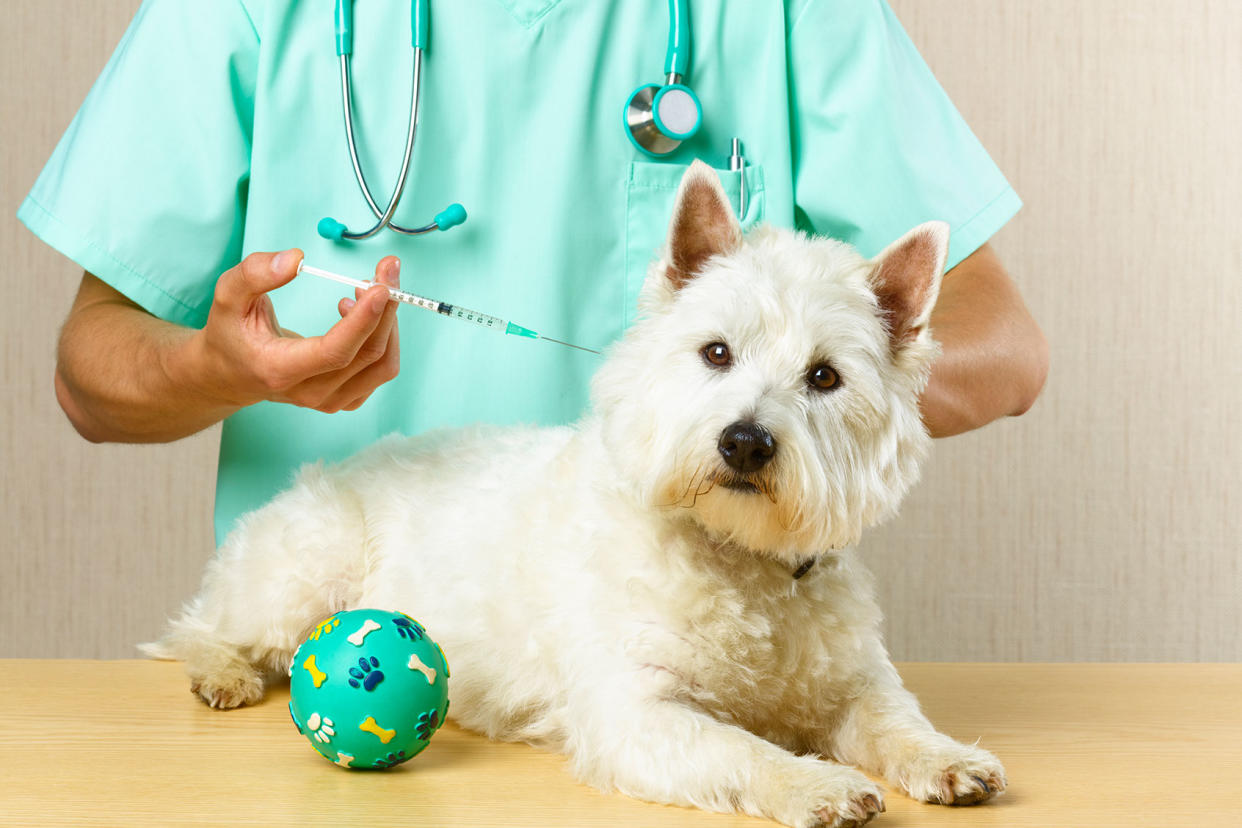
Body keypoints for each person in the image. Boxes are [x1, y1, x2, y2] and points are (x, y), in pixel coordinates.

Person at [20, 0, 1047, 544]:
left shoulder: (787, 11)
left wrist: (822, 391)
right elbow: (89, 377)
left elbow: (1004, 347)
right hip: (341, 657)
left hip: (677, 659)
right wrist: (220, 366)